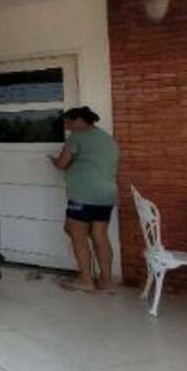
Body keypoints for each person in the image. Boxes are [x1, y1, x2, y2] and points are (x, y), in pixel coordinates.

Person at [48, 106, 119, 293]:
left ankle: (86, 280)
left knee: (77, 234)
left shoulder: (77, 137)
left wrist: (54, 161)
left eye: (69, 121)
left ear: (80, 120)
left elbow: (63, 163)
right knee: (100, 236)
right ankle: (106, 281)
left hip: (83, 195)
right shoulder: (107, 139)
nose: (67, 126)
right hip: (106, 195)